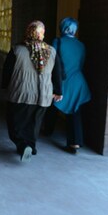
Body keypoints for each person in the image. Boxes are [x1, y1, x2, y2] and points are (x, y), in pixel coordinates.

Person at [2, 20, 63, 162]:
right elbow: (58, 73)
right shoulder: (51, 51)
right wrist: (58, 91)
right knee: (34, 123)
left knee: (15, 123)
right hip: (43, 96)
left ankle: (23, 146)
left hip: (21, 93)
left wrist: (5, 86)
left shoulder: (17, 50)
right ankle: (31, 146)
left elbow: (7, 71)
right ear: (41, 34)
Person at [42, 17, 91, 154]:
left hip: (62, 81)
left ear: (62, 28)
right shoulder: (81, 45)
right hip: (78, 82)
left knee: (52, 105)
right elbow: (81, 64)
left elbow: (53, 62)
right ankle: (75, 143)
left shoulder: (57, 42)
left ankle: (48, 130)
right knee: (75, 111)